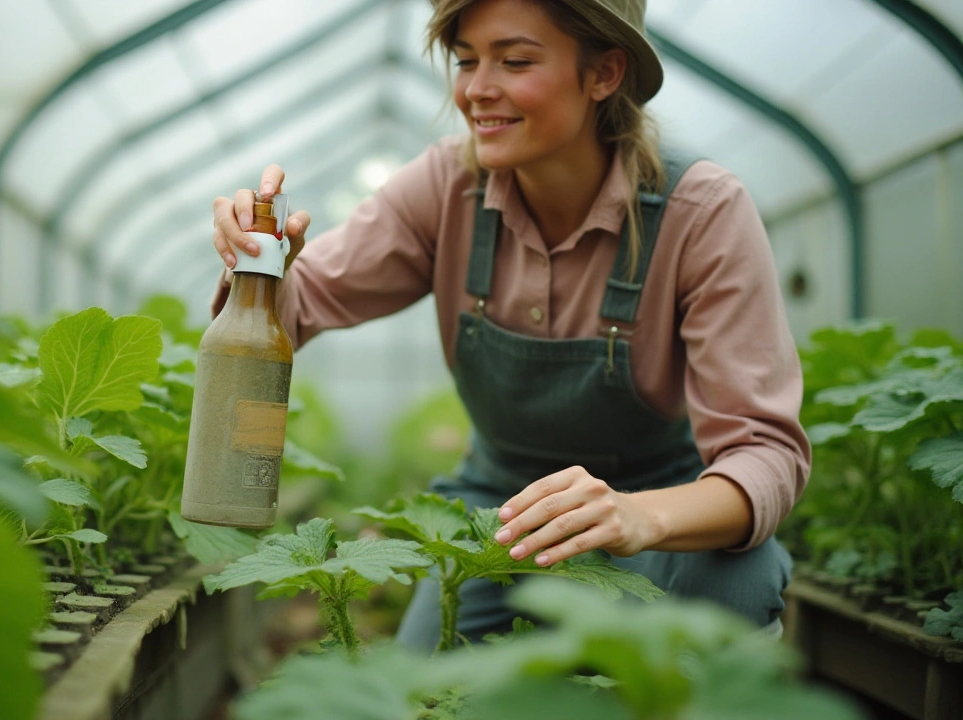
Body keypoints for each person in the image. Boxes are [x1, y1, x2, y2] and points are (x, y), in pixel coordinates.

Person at [209, 0, 808, 650]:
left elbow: (766, 453)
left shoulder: (701, 212)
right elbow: (300, 307)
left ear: (605, 71)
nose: (476, 89)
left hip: (660, 504)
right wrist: (262, 267)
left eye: (515, 60)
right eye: (467, 61)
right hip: (501, 512)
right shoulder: (448, 186)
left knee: (736, 590)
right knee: (419, 688)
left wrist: (640, 515)